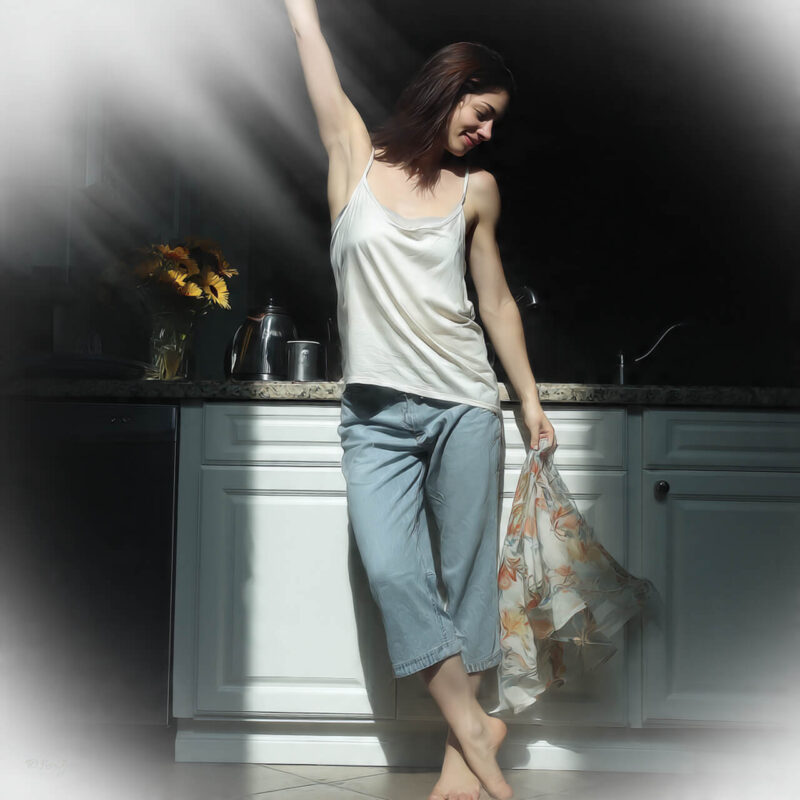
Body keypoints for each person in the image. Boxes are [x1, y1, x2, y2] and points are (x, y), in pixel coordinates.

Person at [284, 3, 556, 798]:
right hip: (373, 416)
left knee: (467, 584)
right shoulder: (353, 157)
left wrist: (529, 401)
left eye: (495, 122)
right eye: (482, 113)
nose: (486, 132)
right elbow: (309, 40)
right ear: (451, 89)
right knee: (396, 574)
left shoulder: (478, 191)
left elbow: (496, 302)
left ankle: (456, 770)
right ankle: (479, 731)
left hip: (465, 407)